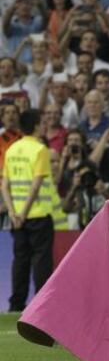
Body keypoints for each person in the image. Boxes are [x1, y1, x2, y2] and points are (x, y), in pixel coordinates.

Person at [1, 109, 54, 312]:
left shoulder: (12, 149)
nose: (44, 126)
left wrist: (14, 213)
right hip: (38, 215)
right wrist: (24, 212)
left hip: (16, 218)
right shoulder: (40, 150)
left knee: (20, 261)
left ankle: (16, 305)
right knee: (41, 262)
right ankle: (42, 307)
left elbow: (4, 185)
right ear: (35, 125)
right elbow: (36, 185)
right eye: (42, 122)